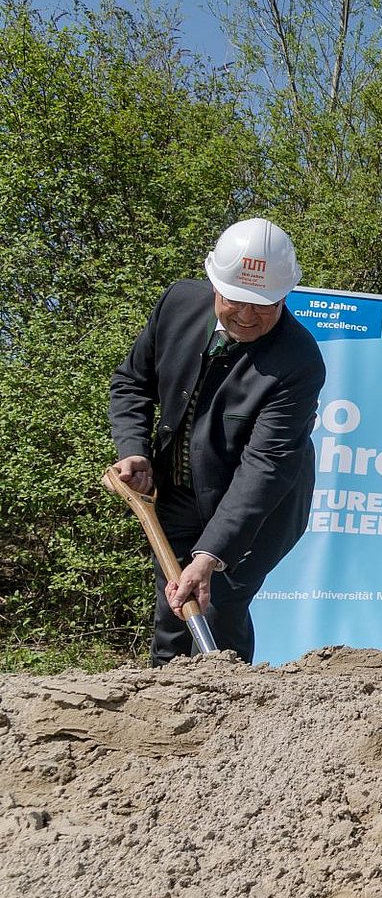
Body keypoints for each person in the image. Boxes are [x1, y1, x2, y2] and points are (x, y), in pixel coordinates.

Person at [108, 218, 325, 664]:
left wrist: (209, 555)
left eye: (262, 305)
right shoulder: (177, 305)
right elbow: (132, 383)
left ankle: (227, 717)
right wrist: (133, 450)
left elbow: (265, 467)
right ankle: (165, 706)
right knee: (173, 608)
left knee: (217, 606)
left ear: (285, 295)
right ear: (214, 285)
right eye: (236, 300)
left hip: (257, 509)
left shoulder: (299, 361)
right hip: (175, 492)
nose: (246, 316)